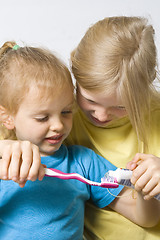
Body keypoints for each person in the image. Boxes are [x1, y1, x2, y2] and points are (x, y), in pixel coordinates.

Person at [1, 41, 159, 240]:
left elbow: (145, 218)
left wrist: (146, 189)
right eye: (43, 118)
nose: (58, 125)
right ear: (7, 118)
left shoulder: (83, 162)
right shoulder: (4, 164)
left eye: (66, 112)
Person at [67, 16, 160, 239]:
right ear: (74, 74)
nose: (101, 115)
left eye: (120, 106)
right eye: (90, 100)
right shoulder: (58, 117)